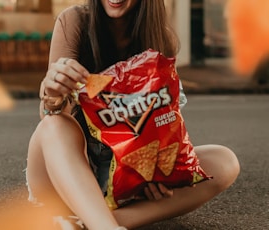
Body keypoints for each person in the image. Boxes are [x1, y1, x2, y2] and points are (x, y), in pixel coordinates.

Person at [26, 1, 240, 229]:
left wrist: (157, 173)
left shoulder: (160, 37)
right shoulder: (75, 21)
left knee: (224, 162)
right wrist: (51, 92)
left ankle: (86, 223)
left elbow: (163, 126)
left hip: (126, 181)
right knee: (55, 125)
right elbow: (50, 116)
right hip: (68, 177)